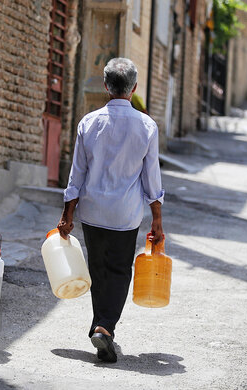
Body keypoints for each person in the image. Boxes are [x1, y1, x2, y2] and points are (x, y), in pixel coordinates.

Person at [57, 57, 164, 362]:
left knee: (98, 270)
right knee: (118, 272)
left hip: (92, 210)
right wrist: (157, 219)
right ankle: (105, 328)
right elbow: (151, 177)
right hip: (125, 214)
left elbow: (76, 173)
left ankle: (99, 326)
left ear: (106, 86)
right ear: (134, 88)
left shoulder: (89, 123)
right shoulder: (146, 125)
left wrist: (68, 213)